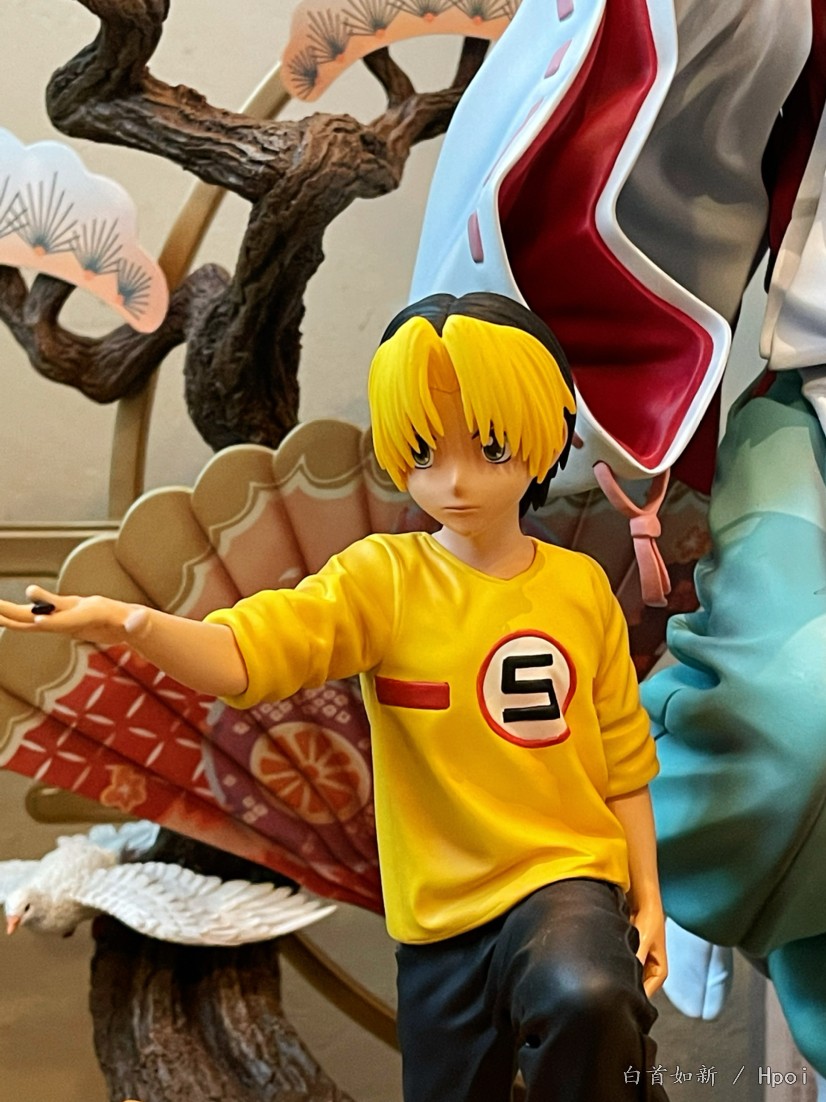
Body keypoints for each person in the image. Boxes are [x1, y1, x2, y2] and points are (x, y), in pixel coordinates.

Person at [0, 292, 668, 1101]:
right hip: (439, 918)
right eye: (424, 451)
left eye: (491, 446)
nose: (456, 480)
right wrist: (133, 624)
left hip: (567, 884)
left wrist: (647, 897)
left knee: (587, 995)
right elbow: (246, 654)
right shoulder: (383, 580)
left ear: (548, 430)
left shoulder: (581, 587)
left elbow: (623, 759)